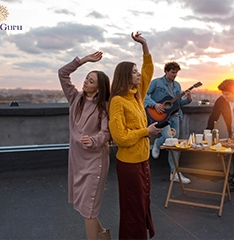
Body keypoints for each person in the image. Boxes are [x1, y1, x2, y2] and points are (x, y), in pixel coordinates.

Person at [108, 32, 160, 239]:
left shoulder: (137, 96)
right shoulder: (118, 101)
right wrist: (146, 132)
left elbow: (148, 70)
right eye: (134, 72)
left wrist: (144, 45)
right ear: (125, 76)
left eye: (138, 72)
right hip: (129, 164)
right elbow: (120, 137)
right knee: (133, 208)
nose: (139, 75)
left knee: (142, 204)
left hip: (143, 161)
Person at [58, 51, 111, 240]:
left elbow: (105, 133)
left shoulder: (104, 106)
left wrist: (93, 139)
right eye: (87, 79)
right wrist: (84, 60)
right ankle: (105, 237)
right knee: (84, 206)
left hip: (95, 161)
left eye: (91, 81)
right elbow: (62, 73)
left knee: (89, 208)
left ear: (99, 88)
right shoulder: (75, 99)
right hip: (77, 160)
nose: (86, 82)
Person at [144, 61, 192, 183]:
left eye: (176, 72)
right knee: (168, 138)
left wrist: (188, 100)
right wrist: (154, 105)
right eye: (172, 72)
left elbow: (177, 104)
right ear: (166, 71)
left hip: (175, 117)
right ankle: (159, 144)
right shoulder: (156, 82)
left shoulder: (177, 86)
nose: (174, 75)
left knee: (174, 144)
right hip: (161, 116)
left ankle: (174, 173)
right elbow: (144, 95)